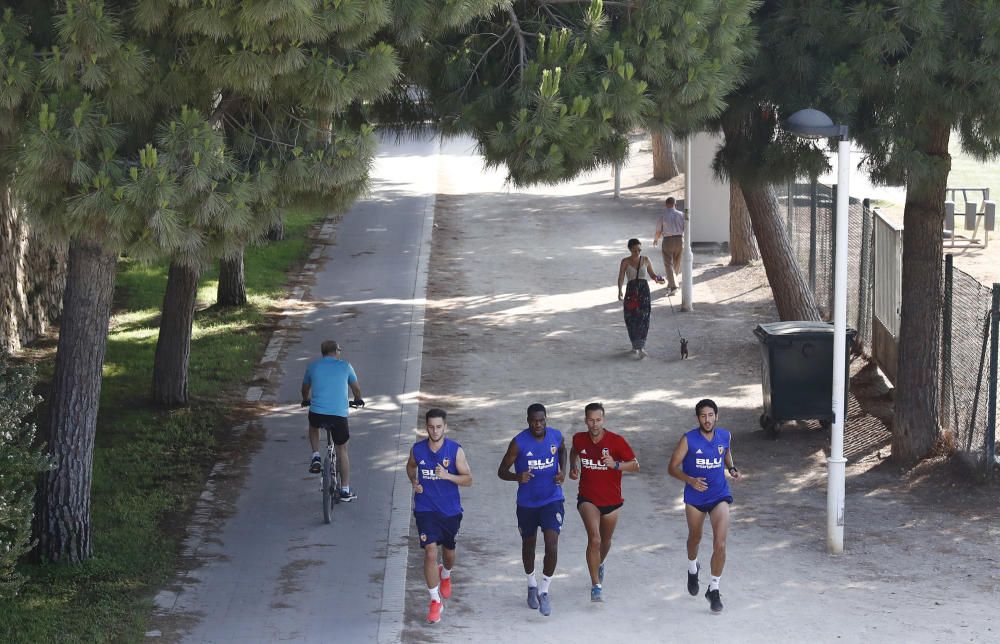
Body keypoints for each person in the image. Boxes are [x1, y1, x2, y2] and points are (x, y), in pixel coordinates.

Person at [667, 398, 742, 613]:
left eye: (710, 415)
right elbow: (672, 468)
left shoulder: (725, 436)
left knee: (720, 543)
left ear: (716, 416)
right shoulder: (688, 440)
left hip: (719, 495)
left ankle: (714, 588)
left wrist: (732, 468)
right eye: (703, 416)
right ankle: (693, 568)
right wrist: (690, 480)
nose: (707, 420)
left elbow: (725, 453)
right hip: (695, 497)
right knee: (695, 537)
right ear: (698, 418)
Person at [497, 403, 567, 616]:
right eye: (534, 421)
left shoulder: (555, 436)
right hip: (527, 504)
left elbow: (564, 449)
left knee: (551, 544)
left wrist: (562, 471)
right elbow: (501, 471)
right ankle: (531, 585)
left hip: (552, 500)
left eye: (542, 420)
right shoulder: (518, 443)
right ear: (528, 421)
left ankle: (544, 591)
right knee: (529, 545)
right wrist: (518, 477)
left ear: (546, 419)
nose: (538, 424)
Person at [406, 408, 473, 624]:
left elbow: (468, 479)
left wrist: (447, 475)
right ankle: (435, 601)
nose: (434, 431)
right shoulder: (417, 449)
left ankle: (446, 573)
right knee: (430, 553)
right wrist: (414, 482)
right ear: (426, 427)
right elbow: (410, 467)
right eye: (430, 427)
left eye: (438, 427)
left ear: (445, 427)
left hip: (450, 511)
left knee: (449, 553)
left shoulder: (455, 451)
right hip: (425, 509)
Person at [568, 402, 639, 602]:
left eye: (598, 420)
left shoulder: (616, 441)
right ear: (585, 421)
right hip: (587, 498)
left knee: (605, 542)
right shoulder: (579, 439)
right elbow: (574, 451)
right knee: (595, 539)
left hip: (612, 500)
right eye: (591, 420)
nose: (594, 424)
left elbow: (635, 465)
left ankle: (599, 563)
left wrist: (616, 464)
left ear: (604, 420)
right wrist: (573, 467)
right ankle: (595, 585)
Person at [301, 340, 363, 501]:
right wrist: (358, 399)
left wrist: (305, 399)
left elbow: (305, 388)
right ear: (336, 351)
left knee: (313, 426)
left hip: (318, 413)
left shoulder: (313, 366)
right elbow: (356, 388)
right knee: (342, 450)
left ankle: (315, 455)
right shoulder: (345, 366)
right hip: (338, 415)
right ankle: (345, 490)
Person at [617, 238, 665, 359]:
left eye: (639, 250)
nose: (637, 252)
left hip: (644, 292)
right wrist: (620, 290)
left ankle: (642, 346)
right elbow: (621, 277)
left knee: (644, 318)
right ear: (630, 250)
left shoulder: (646, 260)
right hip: (631, 291)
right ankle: (635, 345)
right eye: (634, 250)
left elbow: (652, 274)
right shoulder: (625, 261)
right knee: (631, 318)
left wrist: (659, 279)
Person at [652, 197, 685, 295]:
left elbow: (658, 231)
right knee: (677, 262)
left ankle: (674, 286)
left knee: (668, 264)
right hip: (680, 240)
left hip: (667, 241)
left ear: (666, 204)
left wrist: (656, 240)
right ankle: (672, 283)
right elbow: (686, 228)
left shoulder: (663, 216)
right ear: (675, 204)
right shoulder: (682, 215)